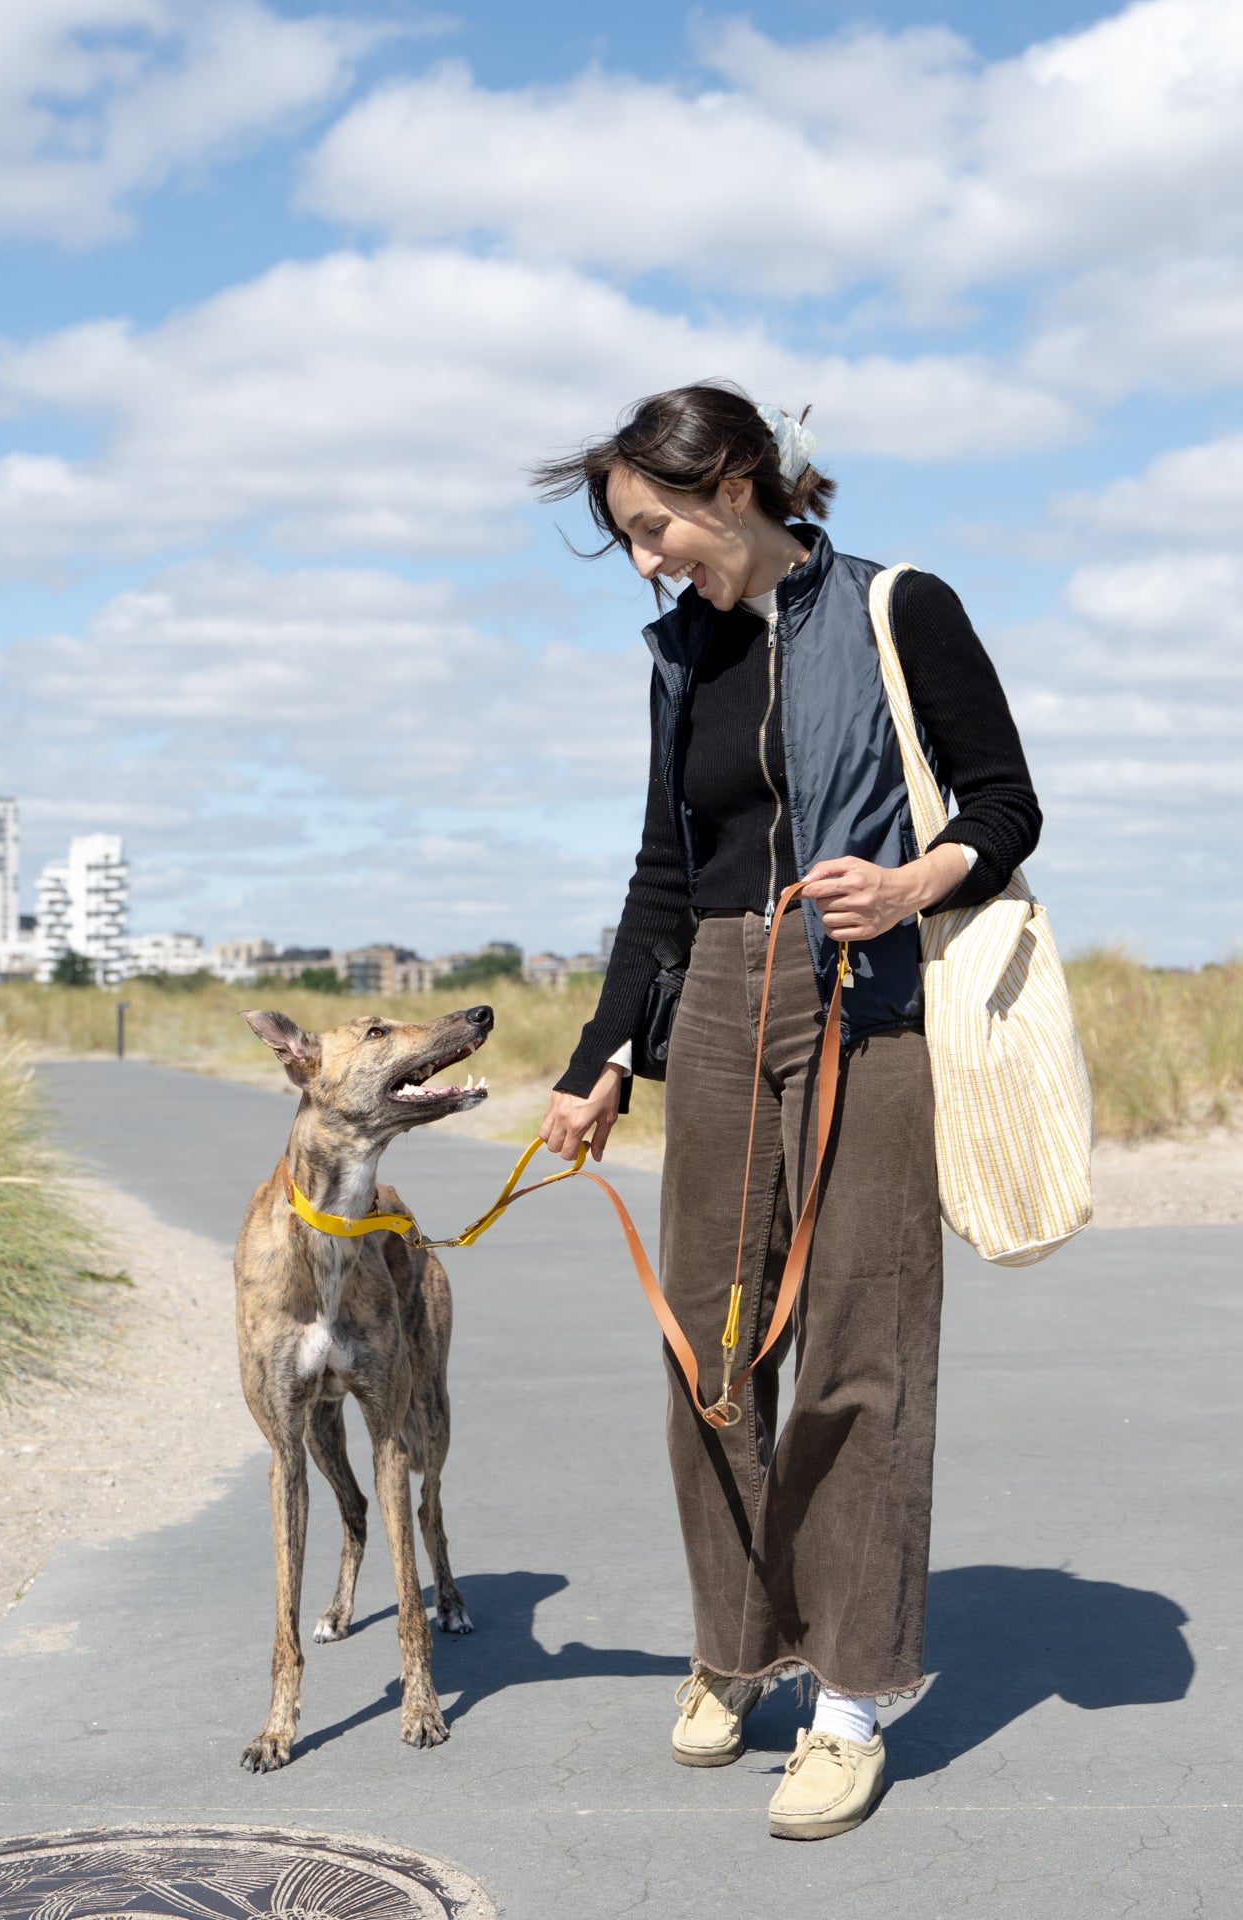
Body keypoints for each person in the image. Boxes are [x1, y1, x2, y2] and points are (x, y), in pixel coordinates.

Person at [531, 382, 1041, 1841]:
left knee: (858, 1354)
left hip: (869, 999)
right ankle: (737, 1640)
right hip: (713, 995)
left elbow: (1004, 806)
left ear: (739, 483)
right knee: (709, 1341)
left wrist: (904, 883)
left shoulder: (900, 607)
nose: (647, 561)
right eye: (628, 539)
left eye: (656, 527)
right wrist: (599, 1057)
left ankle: (850, 1699)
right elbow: (661, 871)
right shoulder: (680, 653)